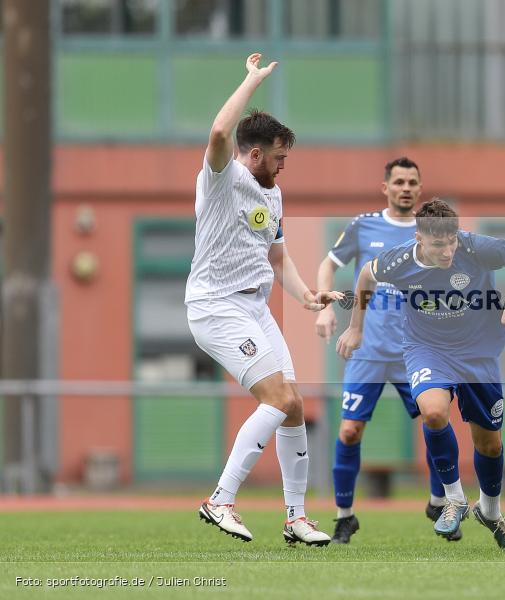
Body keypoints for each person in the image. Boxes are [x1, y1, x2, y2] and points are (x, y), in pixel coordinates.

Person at [336, 198, 505, 549]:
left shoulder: (476, 247)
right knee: (434, 411)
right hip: (427, 349)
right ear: (420, 238)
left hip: (479, 352)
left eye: (451, 241)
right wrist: (356, 328)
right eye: (439, 244)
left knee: (489, 442)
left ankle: (492, 512)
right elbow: (365, 275)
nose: (448, 250)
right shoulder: (400, 260)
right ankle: (453, 497)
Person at [186, 53, 341, 546]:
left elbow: (279, 261)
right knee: (276, 398)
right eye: (278, 157)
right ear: (253, 154)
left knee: (294, 405)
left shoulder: (273, 195)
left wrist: (308, 298)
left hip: (255, 308)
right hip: (216, 306)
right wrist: (251, 81)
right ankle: (221, 500)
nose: (282, 165)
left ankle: (295, 519)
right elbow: (216, 135)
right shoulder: (222, 179)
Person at [316, 157, 456, 544]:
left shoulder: (431, 230)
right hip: (368, 351)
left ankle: (436, 499)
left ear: (420, 187)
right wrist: (326, 306)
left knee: (436, 420)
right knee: (349, 431)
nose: (406, 187)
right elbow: (327, 265)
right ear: (386, 187)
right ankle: (345, 516)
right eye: (399, 182)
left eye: (413, 181)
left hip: (418, 349)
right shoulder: (364, 226)